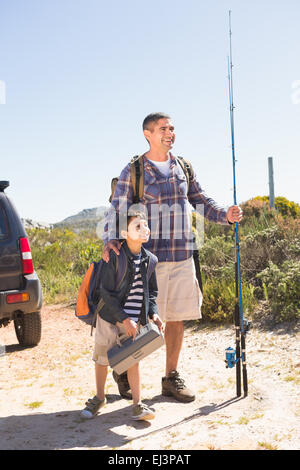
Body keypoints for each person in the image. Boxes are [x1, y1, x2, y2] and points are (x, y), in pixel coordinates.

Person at [102, 112, 243, 403]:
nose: (170, 133)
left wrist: (225, 215)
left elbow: (201, 201)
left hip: (182, 254)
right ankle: (125, 367)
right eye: (163, 129)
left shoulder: (183, 167)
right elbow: (117, 208)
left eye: (172, 128)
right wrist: (110, 239)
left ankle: (171, 377)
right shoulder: (135, 170)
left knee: (177, 319)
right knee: (140, 319)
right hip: (146, 259)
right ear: (148, 134)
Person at [81, 211, 163, 420]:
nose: (144, 229)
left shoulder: (150, 260)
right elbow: (106, 293)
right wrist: (124, 319)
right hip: (108, 317)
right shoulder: (114, 257)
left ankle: (138, 404)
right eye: (138, 226)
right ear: (125, 233)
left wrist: (153, 313)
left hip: (132, 322)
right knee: (101, 358)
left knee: (132, 360)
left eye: (145, 225)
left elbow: (151, 292)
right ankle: (100, 397)